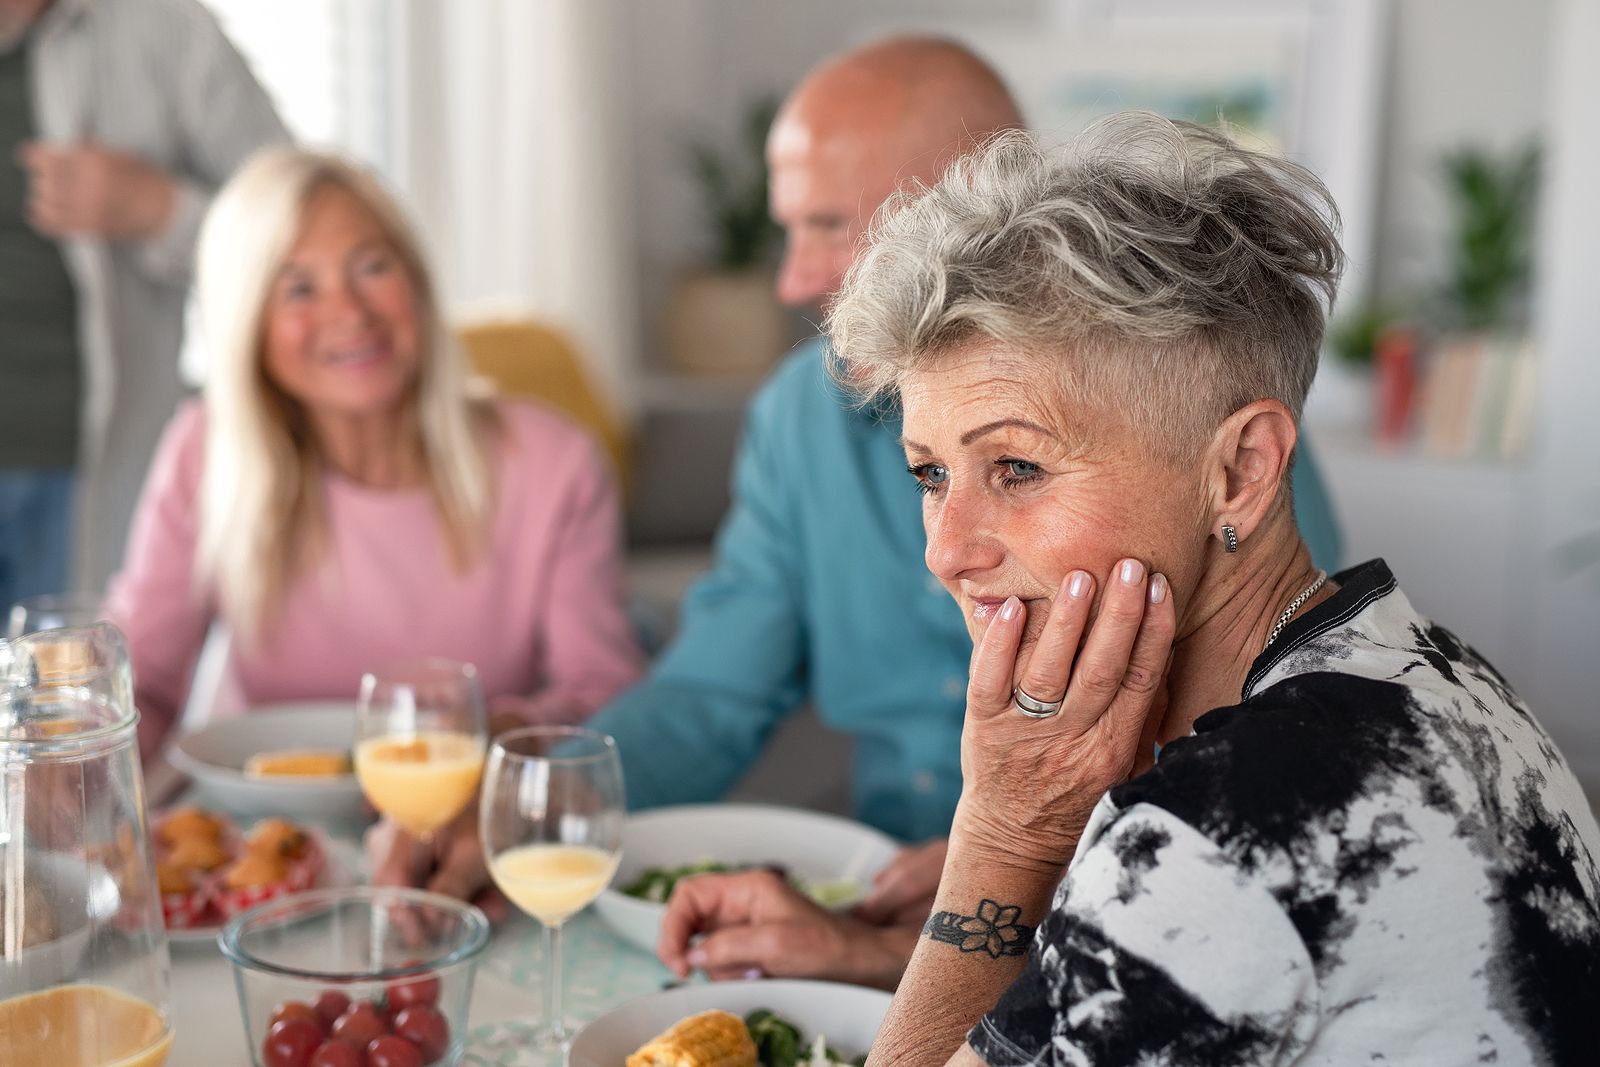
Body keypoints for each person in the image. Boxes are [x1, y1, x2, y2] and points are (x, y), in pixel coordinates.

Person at [666, 117, 1600, 1062]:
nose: (945, 551)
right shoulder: (1424, 669)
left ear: (1239, 470)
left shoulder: (1220, 826)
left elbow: (1214, 899)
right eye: (929, 474)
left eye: (1018, 468)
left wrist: (1002, 837)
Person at [379, 34, 1344, 944]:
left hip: (1115, 901)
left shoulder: (1190, 422)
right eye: (932, 475)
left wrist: (1025, 861)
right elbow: (710, 690)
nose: (796, 277)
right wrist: (539, 804)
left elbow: (1281, 717)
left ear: (975, 211)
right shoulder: (799, 417)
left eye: (828, 225)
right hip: (883, 902)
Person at [104, 148, 643, 765]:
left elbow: (605, 696)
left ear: (416, 281)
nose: (349, 313)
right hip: (271, 831)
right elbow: (139, 686)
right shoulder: (204, 451)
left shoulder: (555, 463)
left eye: (372, 267)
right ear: (246, 323)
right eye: (299, 288)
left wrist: (511, 731)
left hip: (473, 823)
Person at [0, 0, 288, 608]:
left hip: (94, 478)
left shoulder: (168, 31)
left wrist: (158, 210)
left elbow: (298, 229)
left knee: (81, 698)